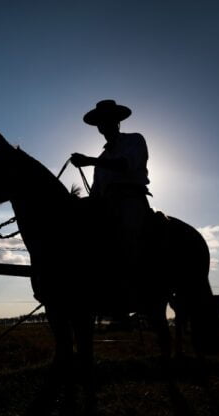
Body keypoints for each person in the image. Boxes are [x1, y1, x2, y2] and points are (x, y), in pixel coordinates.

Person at [70, 99, 152, 309]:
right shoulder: (101, 159)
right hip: (106, 204)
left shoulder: (134, 140)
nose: (104, 125)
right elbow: (95, 195)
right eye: (101, 122)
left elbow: (125, 165)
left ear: (117, 122)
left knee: (128, 232)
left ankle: (135, 284)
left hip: (131, 199)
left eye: (108, 120)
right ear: (98, 127)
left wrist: (90, 161)